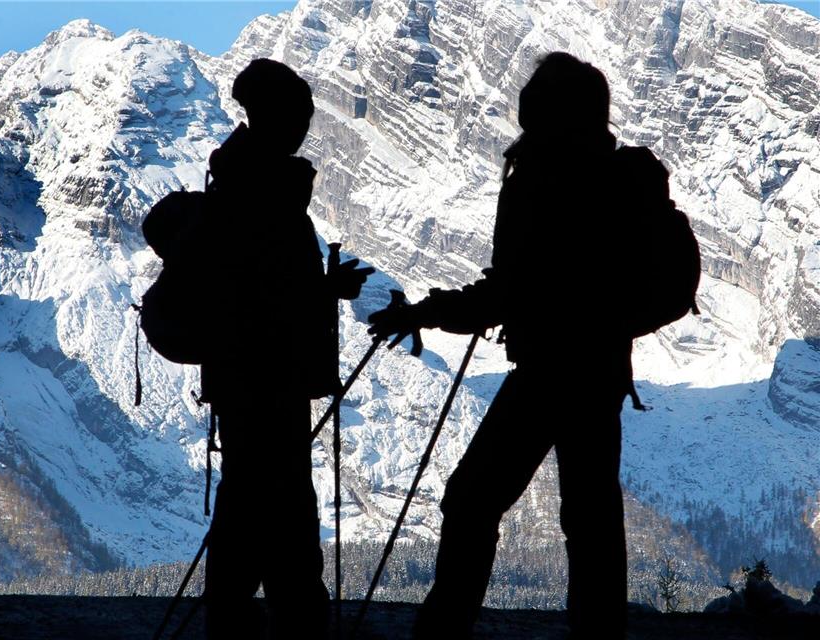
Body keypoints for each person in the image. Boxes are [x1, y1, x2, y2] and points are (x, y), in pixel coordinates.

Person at [368, 52, 674, 638]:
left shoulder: (542, 177)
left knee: (472, 499)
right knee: (591, 519)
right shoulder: (609, 175)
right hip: (601, 367)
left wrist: (427, 313)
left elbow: (506, 291)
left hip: (548, 370)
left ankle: (443, 630)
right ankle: (598, 633)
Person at [199, 58, 371, 640]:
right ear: (275, 117)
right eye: (298, 116)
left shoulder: (241, 184)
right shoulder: (263, 193)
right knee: (283, 512)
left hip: (245, 382)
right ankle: (294, 626)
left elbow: (256, 291)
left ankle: (236, 620)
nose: (304, 128)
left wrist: (320, 291)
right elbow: (269, 297)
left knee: (246, 505)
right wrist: (327, 291)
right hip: (269, 384)